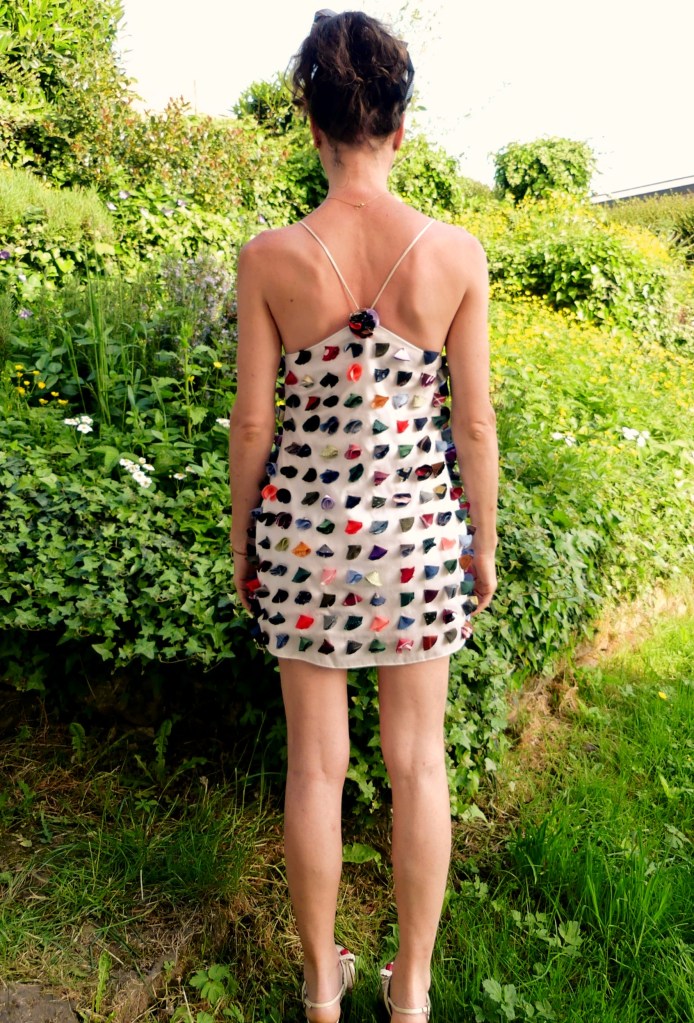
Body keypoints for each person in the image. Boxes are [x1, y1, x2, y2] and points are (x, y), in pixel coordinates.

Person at [229, 10, 498, 1022]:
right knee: (418, 764)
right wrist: (481, 542)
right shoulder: (455, 253)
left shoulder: (269, 257)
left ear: (313, 125)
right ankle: (411, 989)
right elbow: (473, 422)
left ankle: (320, 987)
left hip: (302, 539)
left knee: (315, 768)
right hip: (419, 542)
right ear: (400, 126)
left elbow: (254, 422)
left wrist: (242, 537)